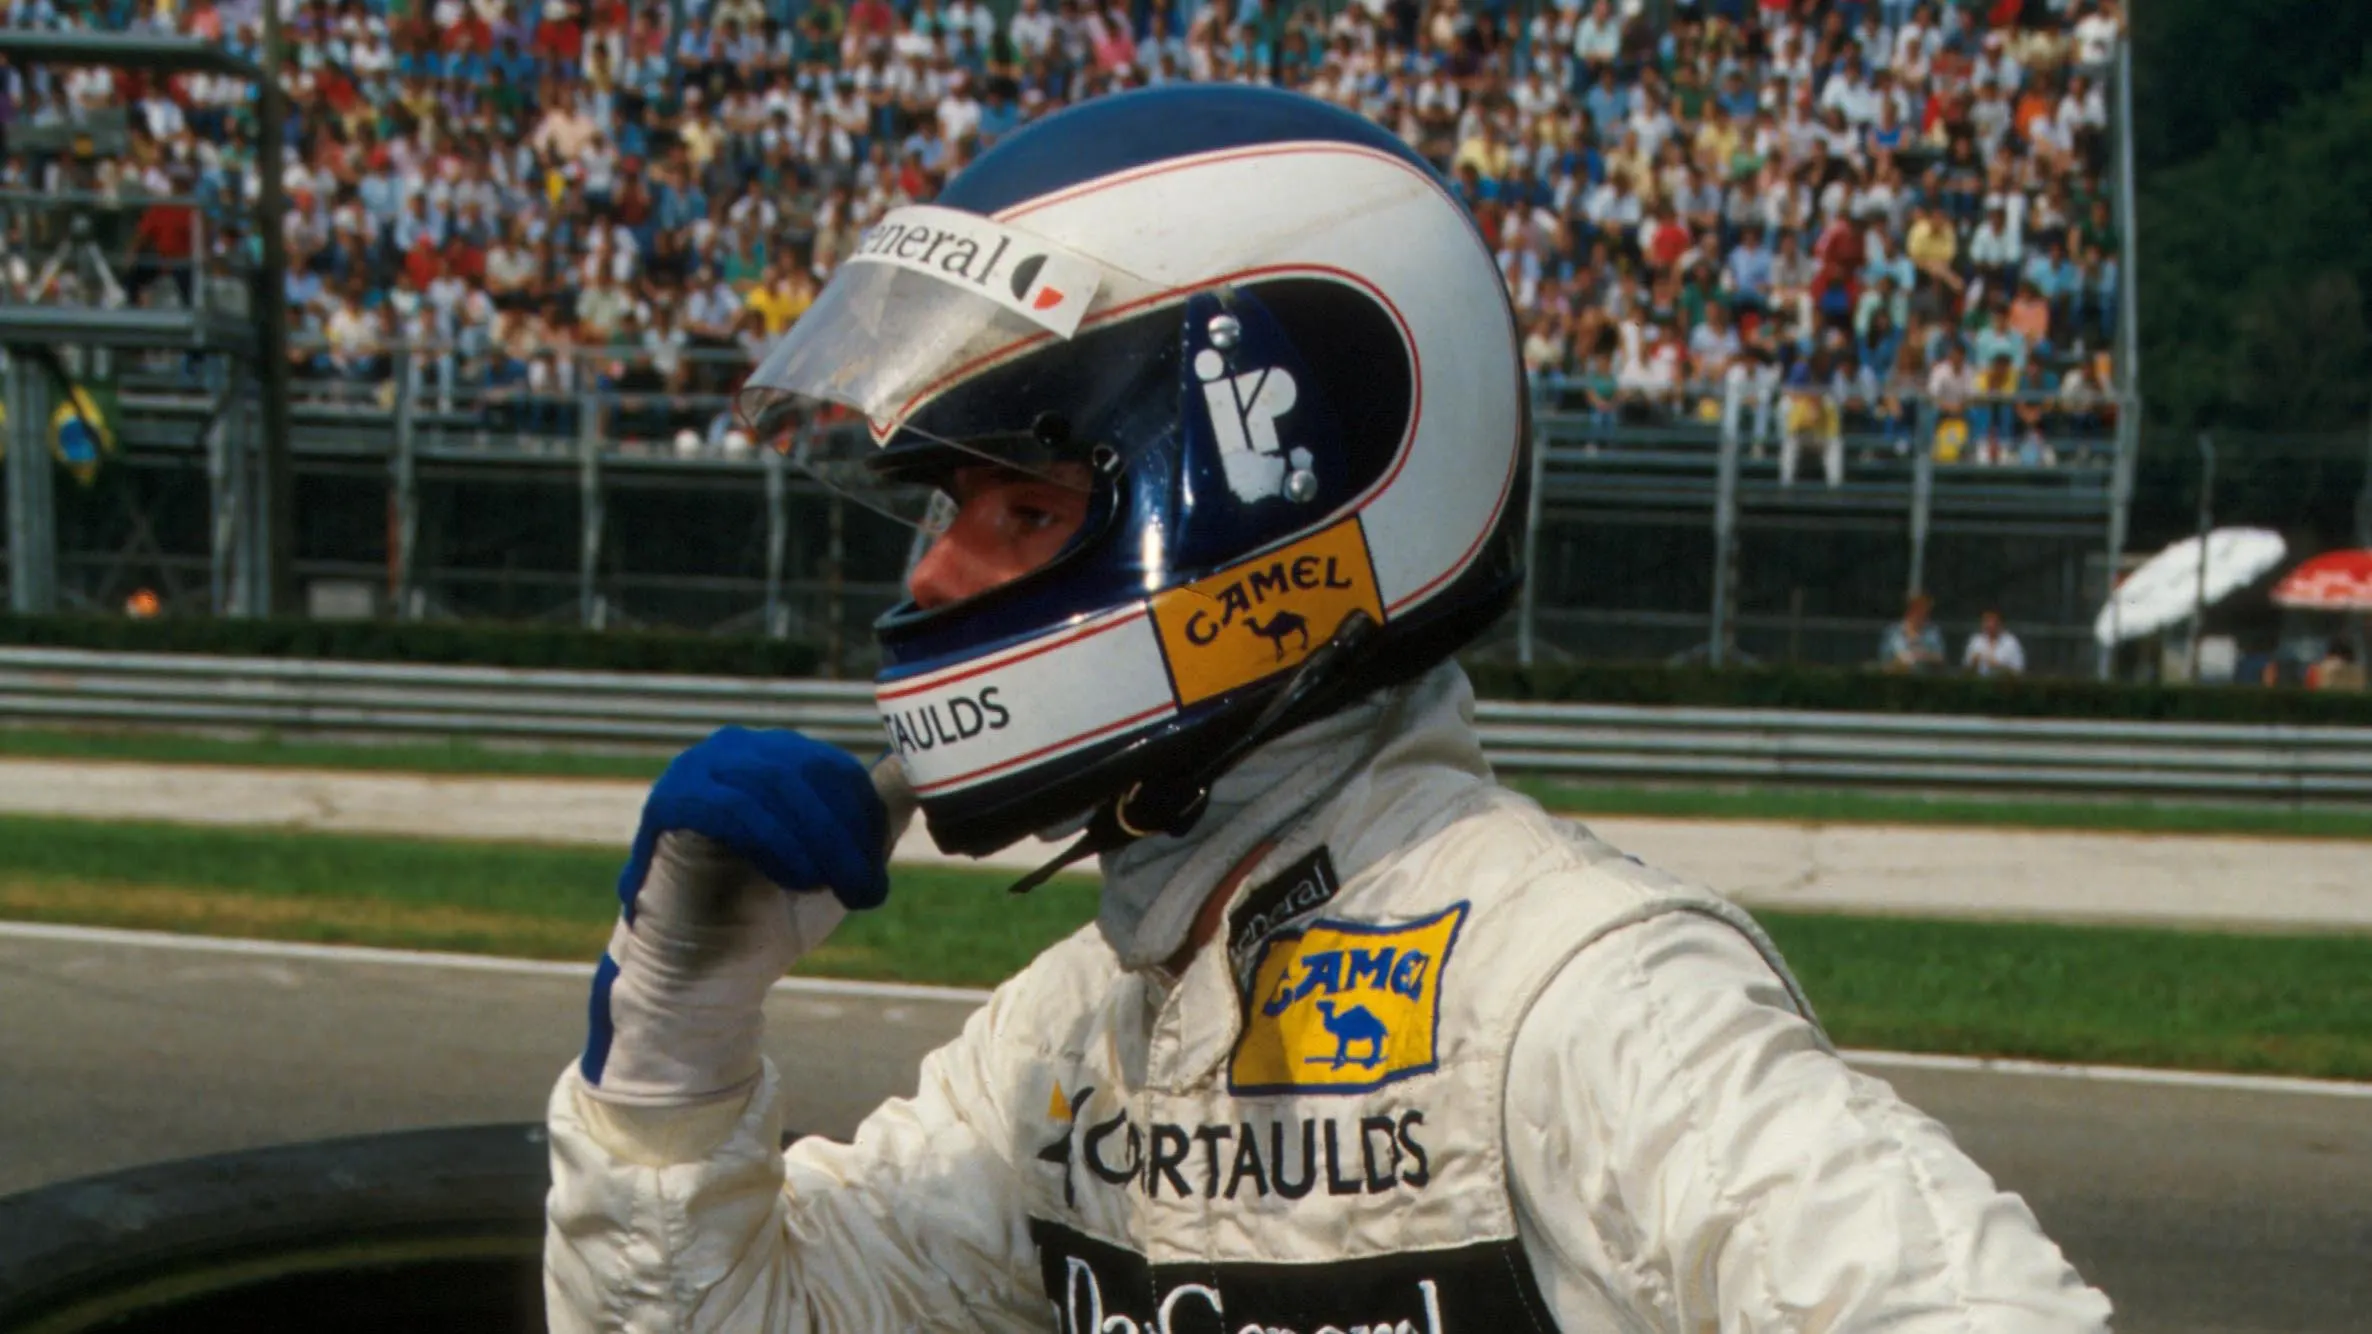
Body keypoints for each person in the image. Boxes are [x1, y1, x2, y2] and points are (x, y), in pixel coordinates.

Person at [546, 87, 2110, 1333]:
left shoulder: (1572, 990)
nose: (938, 573)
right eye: (943, 505)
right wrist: (676, 1048)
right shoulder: (1078, 1035)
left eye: (1020, 507)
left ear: (1277, 504)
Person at [1882, 590, 1949, 673]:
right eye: (1919, 609)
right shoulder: (1893, 632)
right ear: (1910, 610)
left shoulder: (1933, 632)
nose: (1923, 614)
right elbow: (1885, 661)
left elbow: (1940, 658)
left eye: (1926, 611)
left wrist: (1921, 656)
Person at [1963, 609, 2028, 678]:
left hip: (2003, 685)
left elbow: (2019, 671)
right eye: (1986, 621)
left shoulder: (2011, 643)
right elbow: (1965, 669)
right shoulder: (1975, 641)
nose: (1989, 624)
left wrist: (1999, 667)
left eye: (1992, 621)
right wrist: (1973, 664)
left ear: (2000, 623)